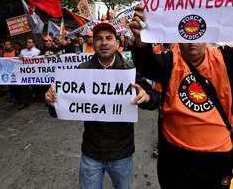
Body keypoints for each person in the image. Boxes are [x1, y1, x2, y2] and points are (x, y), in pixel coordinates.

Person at [129, 0, 233, 188]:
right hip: (175, 161)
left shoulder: (229, 60)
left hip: (217, 161)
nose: (191, 40)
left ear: (206, 32)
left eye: (196, 31)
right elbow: (147, 65)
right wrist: (140, 41)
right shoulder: (170, 61)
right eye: (185, 33)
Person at [45, 22, 160, 189]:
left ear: (117, 43)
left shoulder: (130, 71)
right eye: (98, 39)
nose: (104, 43)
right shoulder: (81, 71)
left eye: (108, 38)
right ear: (93, 43)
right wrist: (51, 101)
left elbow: (154, 100)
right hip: (91, 153)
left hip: (122, 154)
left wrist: (147, 97)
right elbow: (57, 111)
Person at [18, 38, 41, 110]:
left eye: (30, 42)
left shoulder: (37, 51)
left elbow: (37, 60)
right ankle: (24, 102)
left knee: (36, 86)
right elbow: (20, 59)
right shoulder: (23, 51)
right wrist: (20, 57)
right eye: (27, 42)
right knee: (24, 87)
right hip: (25, 72)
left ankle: (38, 97)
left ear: (33, 44)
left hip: (35, 72)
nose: (28, 44)